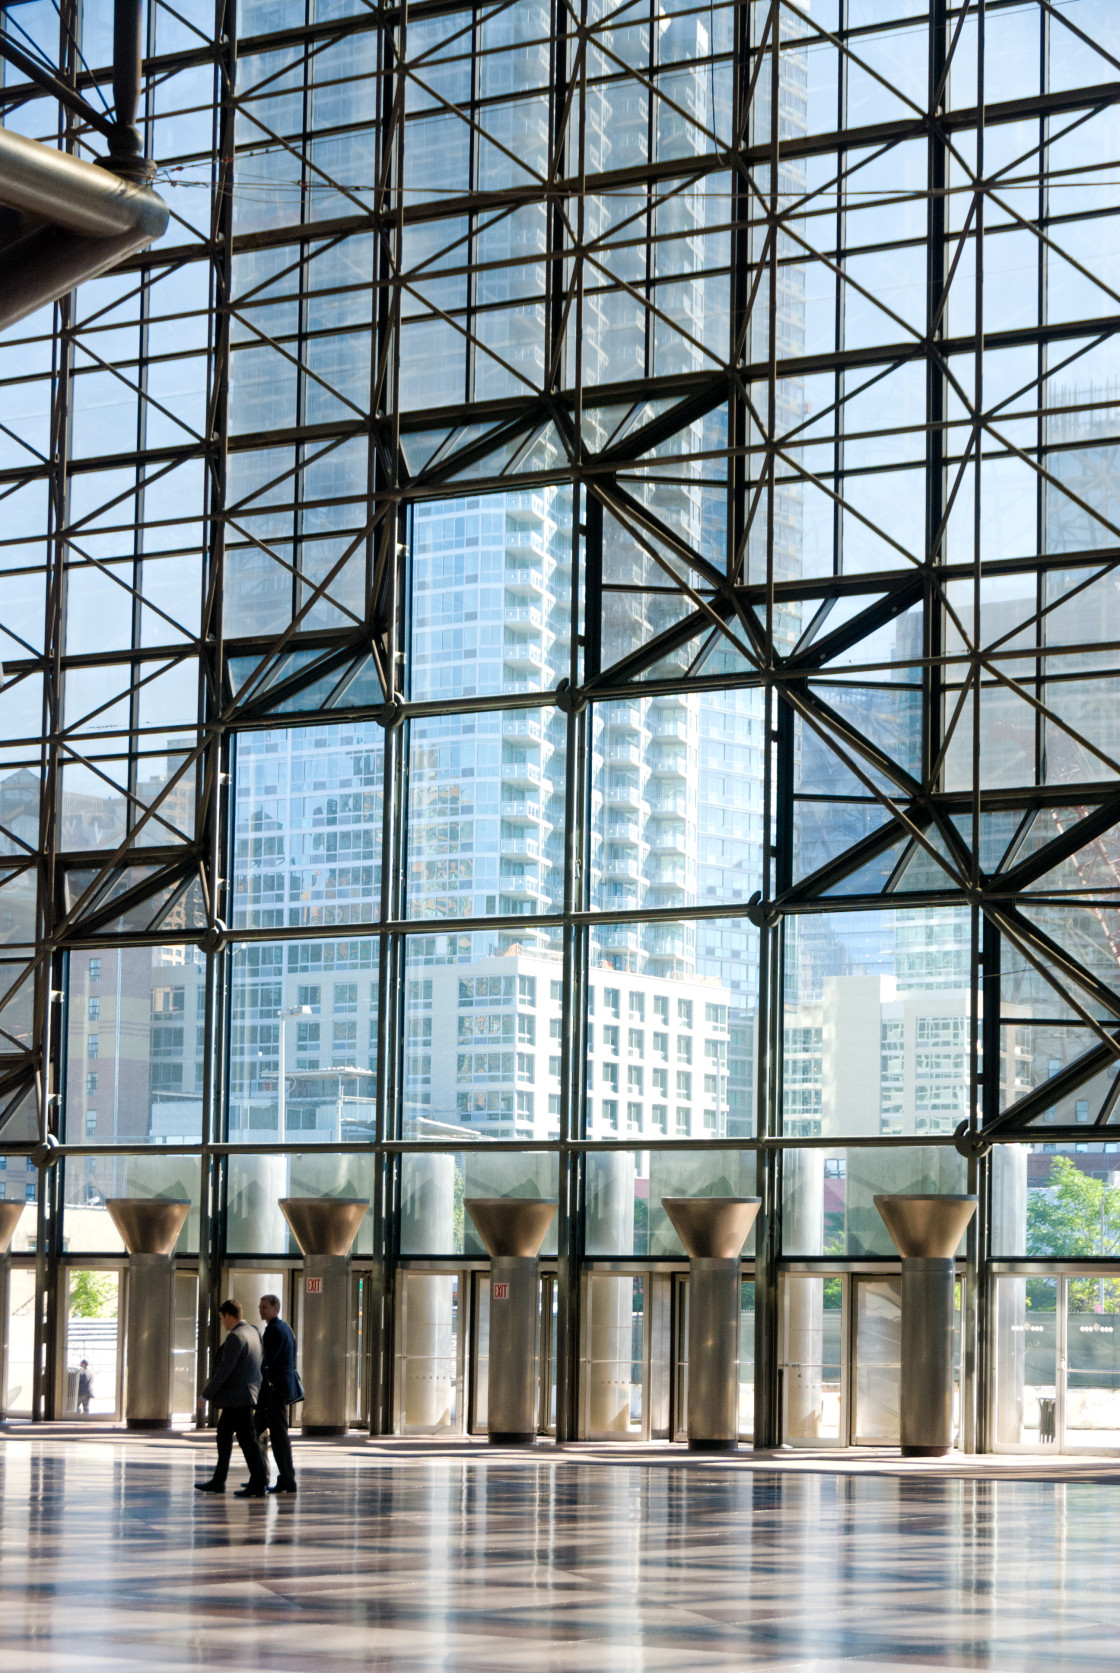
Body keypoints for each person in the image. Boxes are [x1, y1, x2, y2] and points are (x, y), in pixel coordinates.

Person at [195, 1300, 268, 1498]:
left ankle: (259, 1482)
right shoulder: (253, 1332)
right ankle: (219, 1480)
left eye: (221, 1318)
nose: (223, 1323)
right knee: (224, 1435)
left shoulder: (236, 1337)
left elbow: (223, 1371)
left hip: (238, 1398)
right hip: (245, 1395)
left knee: (247, 1441)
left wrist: (205, 1395)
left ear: (228, 1315)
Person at [255, 1294, 303, 1495]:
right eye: (260, 1307)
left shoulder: (273, 1331)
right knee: (277, 1434)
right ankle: (280, 1477)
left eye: (265, 1307)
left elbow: (267, 1361)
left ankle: (264, 1477)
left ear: (275, 1308)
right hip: (281, 1389)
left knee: (265, 1433)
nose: (261, 1310)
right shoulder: (286, 1329)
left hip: (272, 1392)